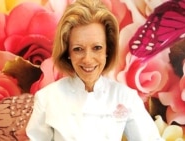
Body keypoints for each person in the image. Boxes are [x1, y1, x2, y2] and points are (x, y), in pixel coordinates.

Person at [26, 0, 163, 140]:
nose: (88, 59)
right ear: (67, 52)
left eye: (97, 48)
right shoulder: (47, 98)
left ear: (108, 50)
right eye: (78, 49)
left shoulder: (125, 97)